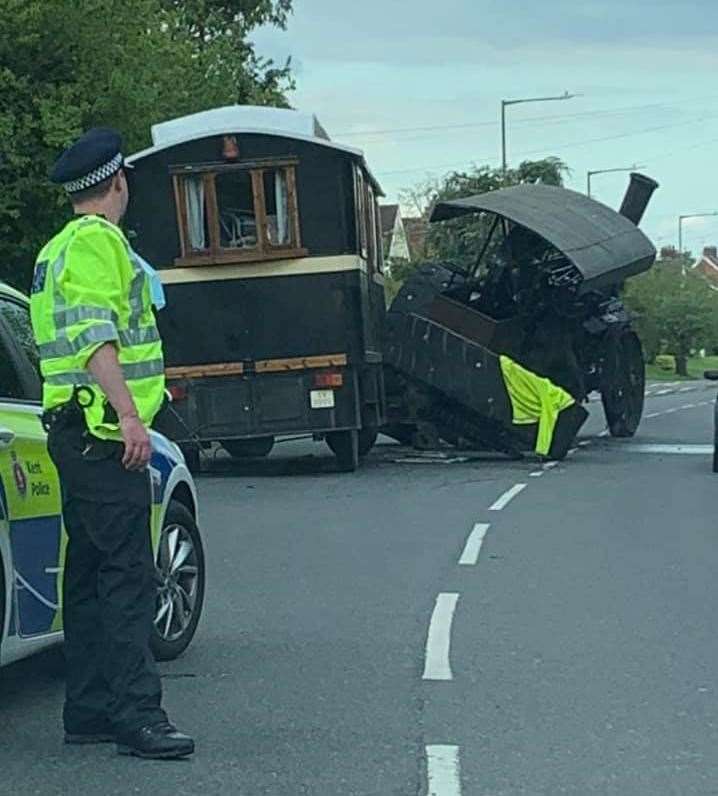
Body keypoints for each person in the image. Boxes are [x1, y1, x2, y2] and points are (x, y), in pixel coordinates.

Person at [29, 128, 194, 760]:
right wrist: (129, 416)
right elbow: (98, 337)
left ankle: (90, 708)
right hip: (102, 433)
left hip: (70, 431)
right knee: (129, 576)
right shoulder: (100, 244)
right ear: (119, 182)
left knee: (92, 573)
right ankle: (138, 716)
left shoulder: (56, 251)